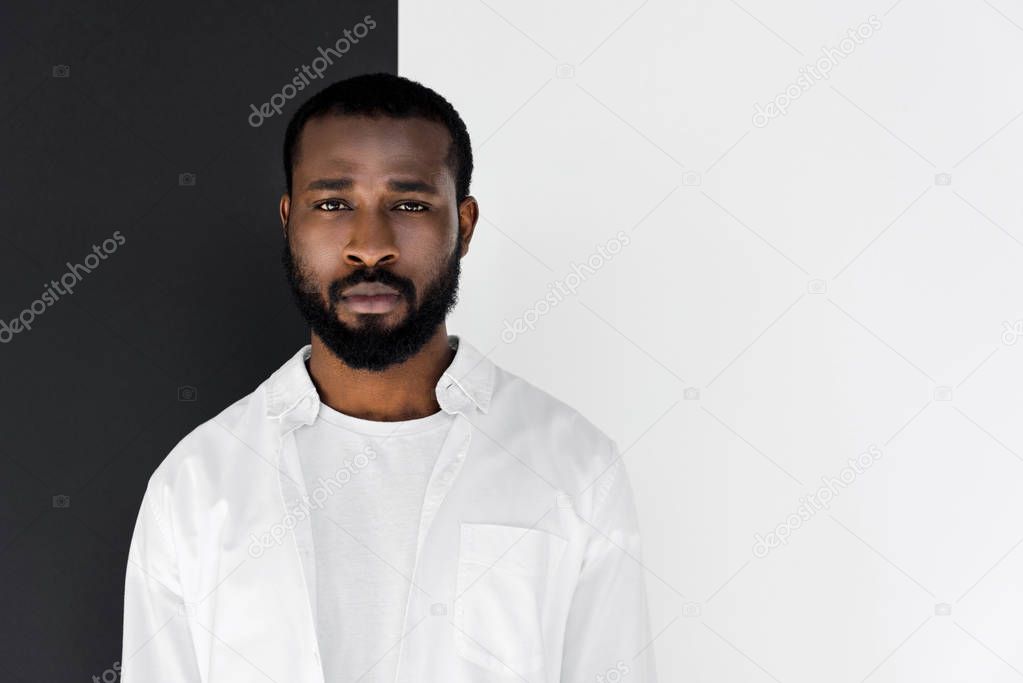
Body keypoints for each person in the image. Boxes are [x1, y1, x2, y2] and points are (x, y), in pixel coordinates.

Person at [121, 72, 657, 683]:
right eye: (332, 203)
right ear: (289, 220)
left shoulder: (573, 467)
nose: (369, 246)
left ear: (465, 224)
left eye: (408, 204)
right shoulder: (198, 485)